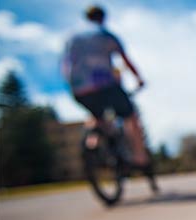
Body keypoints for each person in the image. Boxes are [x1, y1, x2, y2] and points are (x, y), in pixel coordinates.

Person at [62, 5, 149, 166]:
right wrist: (139, 79)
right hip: (104, 85)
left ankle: (91, 144)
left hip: (79, 88)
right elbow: (126, 60)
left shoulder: (72, 37)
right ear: (102, 18)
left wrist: (72, 84)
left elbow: (66, 65)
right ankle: (139, 156)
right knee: (130, 116)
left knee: (96, 115)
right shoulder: (106, 35)